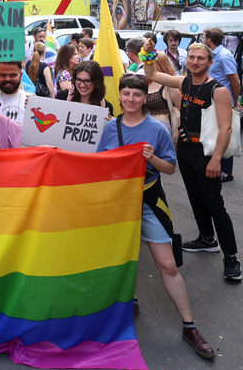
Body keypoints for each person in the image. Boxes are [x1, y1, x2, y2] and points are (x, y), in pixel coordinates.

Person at [96, 74, 216, 360]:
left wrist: (151, 158)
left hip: (149, 199)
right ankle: (130, 302)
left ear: (144, 98)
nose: (130, 100)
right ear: (120, 96)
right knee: (122, 259)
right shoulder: (110, 128)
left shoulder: (158, 129)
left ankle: (190, 328)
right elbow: (99, 165)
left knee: (167, 264)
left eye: (136, 95)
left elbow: (170, 169)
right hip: (119, 203)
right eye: (125, 94)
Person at [142, 40, 241, 281]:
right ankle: (207, 239)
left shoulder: (218, 90)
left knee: (214, 203)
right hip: (186, 150)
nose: (195, 61)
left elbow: (226, 129)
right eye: (192, 57)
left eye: (200, 58)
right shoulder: (182, 82)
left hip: (206, 153)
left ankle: (231, 257)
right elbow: (152, 73)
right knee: (195, 198)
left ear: (210, 62)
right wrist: (149, 50)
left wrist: (216, 159)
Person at [204, 27, 241, 183]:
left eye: (204, 38)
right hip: (212, 99)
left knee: (224, 133)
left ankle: (226, 171)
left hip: (223, 101)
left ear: (209, 40)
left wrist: (234, 100)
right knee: (213, 133)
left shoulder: (224, 56)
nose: (203, 40)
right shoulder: (213, 54)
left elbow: (235, 81)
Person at [147, 52, 182, 135]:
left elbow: (184, 111)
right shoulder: (146, 83)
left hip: (164, 129)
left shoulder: (170, 86)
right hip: (147, 128)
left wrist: (177, 133)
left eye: (150, 65)